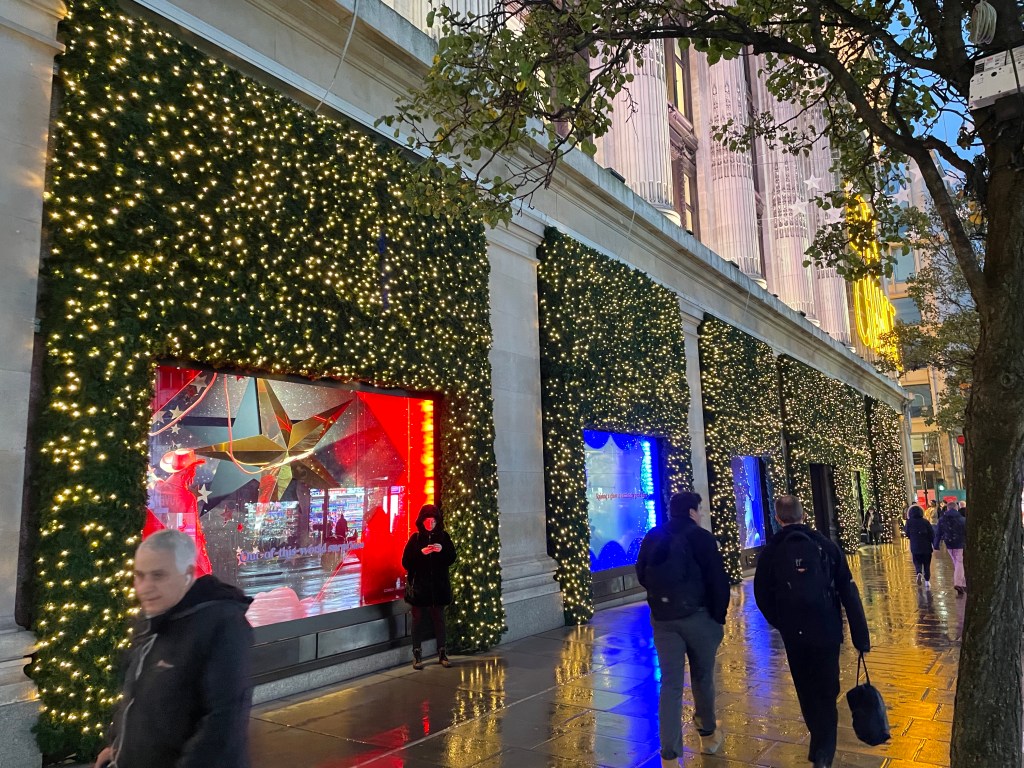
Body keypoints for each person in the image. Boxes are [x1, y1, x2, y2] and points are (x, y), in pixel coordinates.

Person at [94, 529, 253, 768]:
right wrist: (118, 746)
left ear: (188, 574)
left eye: (158, 576)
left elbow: (222, 725)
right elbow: (137, 696)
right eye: (139, 576)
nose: (145, 587)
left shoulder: (222, 625)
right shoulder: (152, 620)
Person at [754, 495, 870, 768]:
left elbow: (761, 595)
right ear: (803, 515)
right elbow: (848, 591)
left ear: (778, 518)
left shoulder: (771, 551)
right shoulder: (825, 545)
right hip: (826, 629)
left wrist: (782, 622)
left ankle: (819, 743)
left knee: (805, 689)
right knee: (827, 690)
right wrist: (860, 637)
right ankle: (824, 752)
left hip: (795, 634)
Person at [635, 491, 730, 766]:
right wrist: (718, 616)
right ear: (691, 511)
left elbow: (641, 573)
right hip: (699, 617)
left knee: (671, 685)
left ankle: (669, 755)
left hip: (664, 620)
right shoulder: (702, 538)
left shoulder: (654, 536)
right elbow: (718, 580)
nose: (701, 514)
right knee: (703, 678)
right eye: (699, 510)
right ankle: (708, 736)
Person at [402, 504, 457, 669]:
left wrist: (442, 550)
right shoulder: (415, 539)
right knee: (417, 619)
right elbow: (406, 562)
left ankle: (442, 652)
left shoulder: (443, 537)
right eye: (428, 521)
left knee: (439, 619)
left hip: (438, 588)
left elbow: (452, 557)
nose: (430, 524)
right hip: (420, 588)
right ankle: (417, 653)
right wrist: (421, 553)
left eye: (433, 521)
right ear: (422, 521)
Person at [935, 500, 968, 595]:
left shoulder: (942, 519)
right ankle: (958, 583)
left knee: (956, 562)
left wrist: (936, 544)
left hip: (949, 543)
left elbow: (938, 532)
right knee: (959, 562)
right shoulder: (962, 519)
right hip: (959, 543)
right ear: (956, 508)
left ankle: (962, 582)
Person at [902, 505, 935, 588]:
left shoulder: (909, 522)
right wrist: (933, 543)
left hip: (915, 546)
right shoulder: (925, 522)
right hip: (926, 546)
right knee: (927, 564)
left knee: (917, 562)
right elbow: (931, 533)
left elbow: (907, 533)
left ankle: (919, 572)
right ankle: (927, 581)